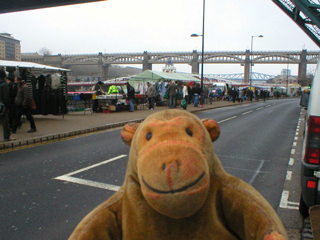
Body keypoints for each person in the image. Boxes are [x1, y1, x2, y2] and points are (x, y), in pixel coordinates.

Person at [0, 70, 15, 141]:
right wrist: (8, 105)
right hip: (2, 106)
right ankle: (6, 137)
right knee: (5, 122)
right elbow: (6, 97)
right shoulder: (4, 84)